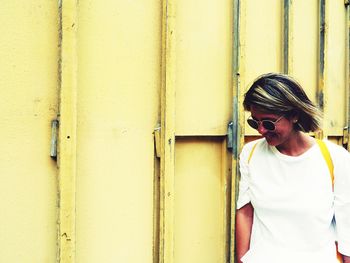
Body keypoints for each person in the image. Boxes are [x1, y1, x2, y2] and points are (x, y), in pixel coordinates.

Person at [235, 73, 350, 263]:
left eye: (269, 122)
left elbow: (347, 227)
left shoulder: (335, 159)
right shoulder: (250, 153)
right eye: (255, 122)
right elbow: (245, 212)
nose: (261, 130)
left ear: (294, 115)